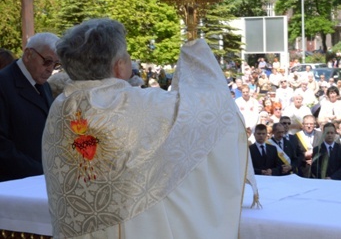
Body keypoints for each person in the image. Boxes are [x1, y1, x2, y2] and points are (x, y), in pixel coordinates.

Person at [42, 19, 254, 238]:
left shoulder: (61, 106)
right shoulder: (136, 103)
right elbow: (214, 111)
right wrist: (198, 55)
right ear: (119, 65)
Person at [0, 32, 59, 181]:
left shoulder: (43, 85)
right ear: (28, 54)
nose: (50, 69)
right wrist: (40, 171)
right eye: (47, 61)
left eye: (56, 64)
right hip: (14, 186)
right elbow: (2, 146)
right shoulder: (3, 84)